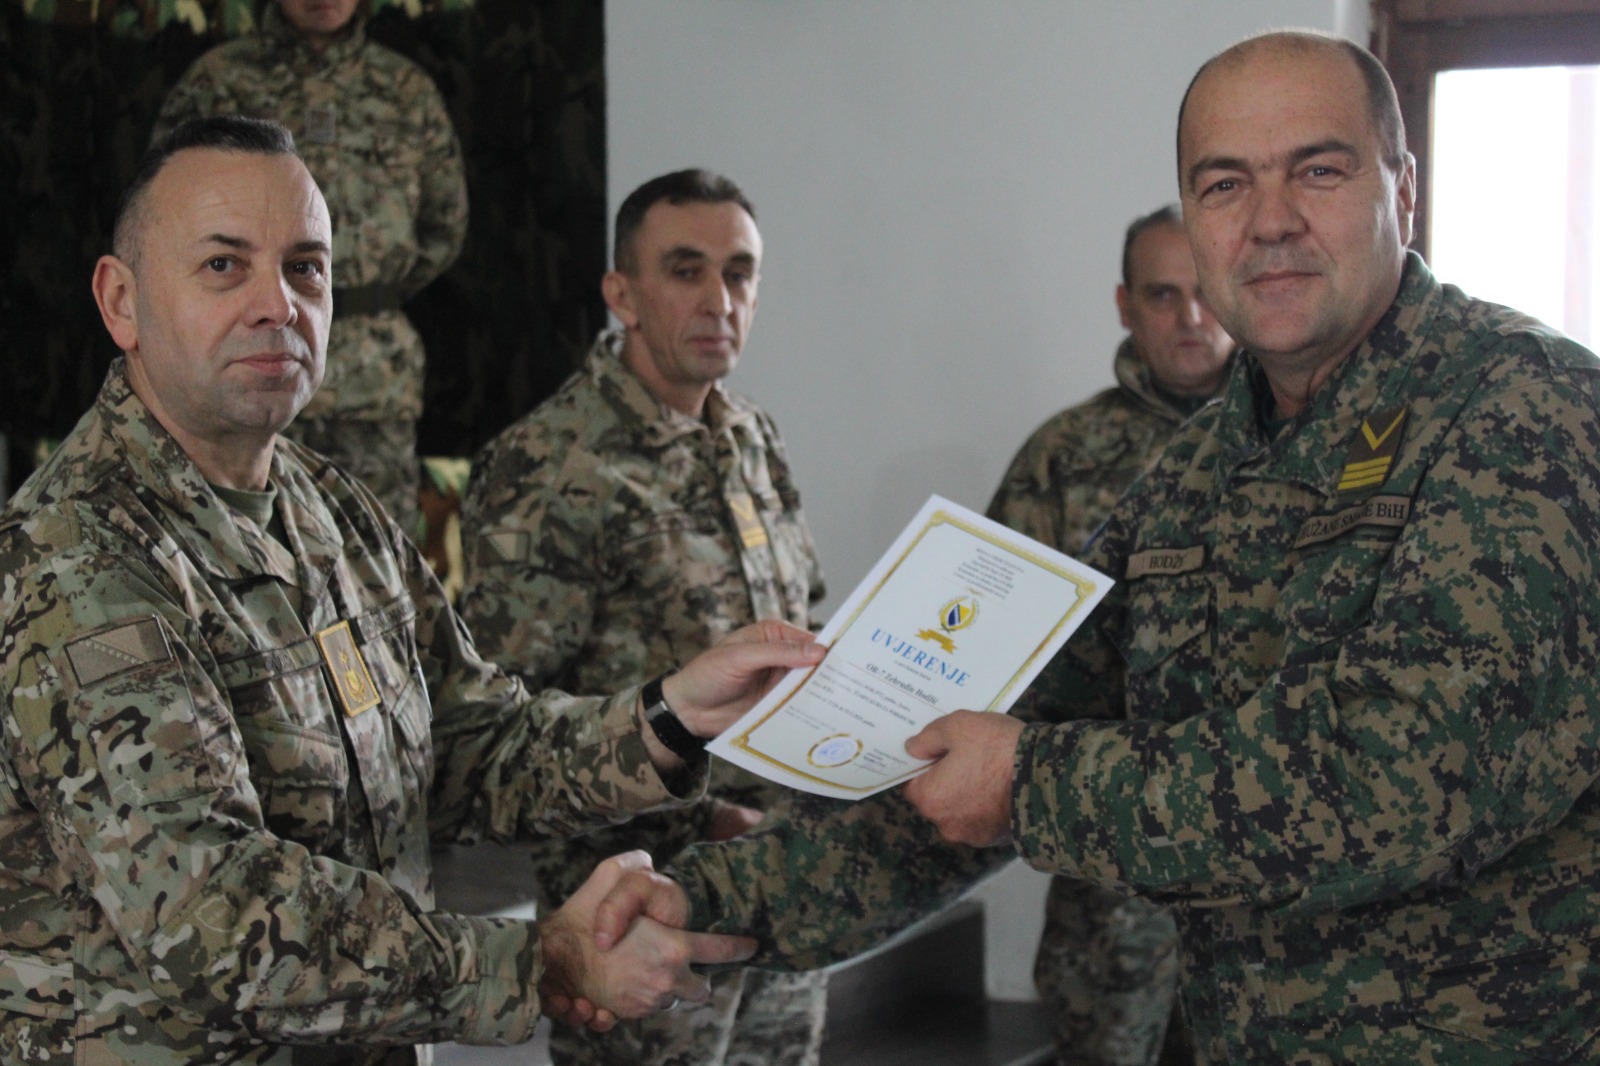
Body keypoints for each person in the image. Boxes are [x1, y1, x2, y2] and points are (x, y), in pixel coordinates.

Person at [605, 29, 1600, 1065]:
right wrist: (695, 905)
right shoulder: (1192, 478)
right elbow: (988, 732)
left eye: (1318, 170)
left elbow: (1409, 777)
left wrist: (1029, 784)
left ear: (1403, 190)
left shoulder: (1527, 411)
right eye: (1224, 184)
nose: (1270, 221)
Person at [0, 116, 828, 1066]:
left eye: (306, 269)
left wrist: (670, 718)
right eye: (224, 266)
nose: (277, 304)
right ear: (122, 301)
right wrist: (544, 962)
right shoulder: (77, 557)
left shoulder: (332, 511)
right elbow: (213, 915)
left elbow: (469, 744)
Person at [457, 169, 829, 1066]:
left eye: (739, 273)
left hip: (779, 872)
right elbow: (502, 724)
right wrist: (695, 822)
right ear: (621, 294)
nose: (719, 300)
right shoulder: (550, 465)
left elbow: (797, 623)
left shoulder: (751, 438)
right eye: (685, 270)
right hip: (639, 904)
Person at [988, 206, 1234, 1066]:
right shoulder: (1066, 454)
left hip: (1256, 844)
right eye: (1163, 296)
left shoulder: (1299, 438)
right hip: (1109, 848)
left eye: (1204, 292)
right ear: (1126, 306)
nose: (1190, 318)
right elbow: (996, 639)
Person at [154, 0, 469, 534]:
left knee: (373, 547)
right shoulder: (220, 81)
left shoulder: (405, 89)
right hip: (248, 366)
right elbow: (165, 217)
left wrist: (349, 294)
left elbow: (446, 222)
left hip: (373, 378)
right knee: (242, 544)